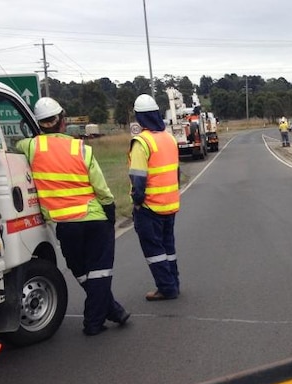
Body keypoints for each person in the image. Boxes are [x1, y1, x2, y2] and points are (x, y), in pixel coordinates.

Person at [18, 97, 130, 336]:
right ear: (62, 121)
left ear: (38, 124)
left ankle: (113, 310)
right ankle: (94, 321)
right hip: (94, 218)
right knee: (99, 272)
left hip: (66, 225)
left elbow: (13, 150)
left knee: (81, 272)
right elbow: (101, 187)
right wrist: (110, 209)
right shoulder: (80, 148)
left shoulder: (30, 147)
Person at [129, 94, 181, 301]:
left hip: (150, 207)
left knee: (154, 250)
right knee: (168, 247)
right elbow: (176, 172)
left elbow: (138, 179)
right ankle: (174, 283)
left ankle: (166, 288)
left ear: (140, 118)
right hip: (170, 203)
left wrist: (137, 202)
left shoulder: (142, 142)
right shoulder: (169, 138)